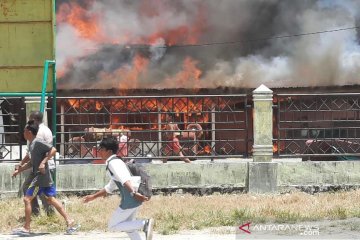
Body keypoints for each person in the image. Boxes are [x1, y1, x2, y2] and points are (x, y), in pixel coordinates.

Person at [12, 120, 79, 234]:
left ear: (28, 132)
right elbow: (32, 163)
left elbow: (53, 149)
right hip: (41, 176)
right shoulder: (32, 144)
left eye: (24, 130)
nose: (23, 133)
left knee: (27, 199)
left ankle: (26, 228)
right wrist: (19, 170)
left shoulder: (38, 142)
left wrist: (43, 162)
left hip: (39, 177)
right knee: (50, 199)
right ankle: (70, 220)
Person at [83, 137, 154, 240]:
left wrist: (134, 193)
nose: (99, 151)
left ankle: (144, 224)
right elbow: (110, 187)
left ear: (109, 151)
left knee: (112, 226)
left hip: (131, 198)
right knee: (129, 227)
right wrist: (93, 197)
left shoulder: (113, 163)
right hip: (133, 197)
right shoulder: (115, 161)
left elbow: (125, 180)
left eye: (101, 149)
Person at [16, 111, 55, 216]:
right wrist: (22, 164)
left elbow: (47, 150)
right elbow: (31, 153)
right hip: (40, 166)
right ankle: (40, 212)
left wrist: (42, 163)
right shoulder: (44, 130)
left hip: (42, 168)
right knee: (36, 190)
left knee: (42, 192)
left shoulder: (38, 132)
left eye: (30, 119)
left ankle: (43, 212)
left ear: (34, 119)